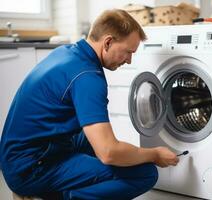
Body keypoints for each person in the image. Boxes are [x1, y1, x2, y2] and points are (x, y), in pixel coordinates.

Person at [0, 9, 179, 200]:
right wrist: (153, 154)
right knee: (145, 173)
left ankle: (48, 187)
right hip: (31, 167)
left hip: (17, 157)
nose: (129, 60)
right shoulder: (87, 77)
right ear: (108, 42)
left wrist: (127, 154)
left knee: (93, 141)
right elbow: (108, 153)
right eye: (128, 52)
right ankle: (57, 194)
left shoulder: (68, 52)